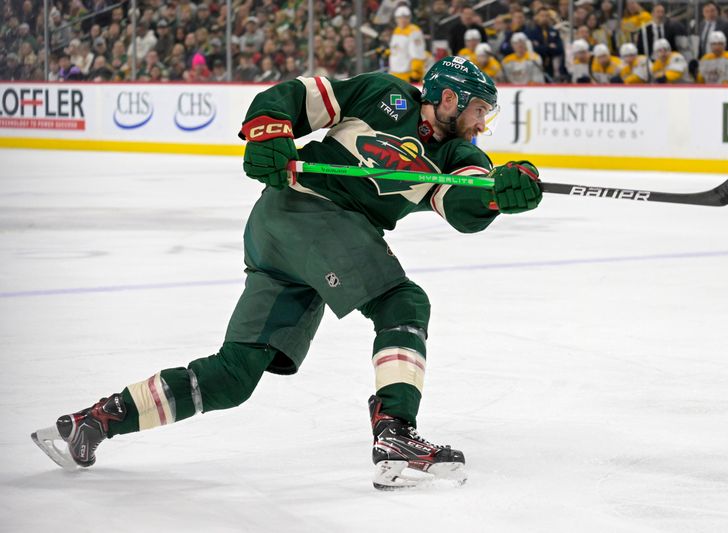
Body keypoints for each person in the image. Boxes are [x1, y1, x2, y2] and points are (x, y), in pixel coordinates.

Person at [31, 56, 543, 490]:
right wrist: (269, 132)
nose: (482, 125)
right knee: (402, 304)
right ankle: (395, 430)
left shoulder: (458, 154)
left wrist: (500, 192)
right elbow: (297, 97)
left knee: (233, 377)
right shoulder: (383, 94)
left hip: (292, 233)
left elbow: (463, 203)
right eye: (480, 111)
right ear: (450, 99)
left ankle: (95, 421)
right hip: (304, 211)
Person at [388, 6, 426, 82]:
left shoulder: (414, 32)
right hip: (394, 73)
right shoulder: (397, 30)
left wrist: (416, 73)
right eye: (400, 18)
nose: (403, 20)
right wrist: (387, 52)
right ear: (396, 19)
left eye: (405, 17)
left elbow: (417, 54)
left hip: (407, 75)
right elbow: (397, 48)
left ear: (409, 18)